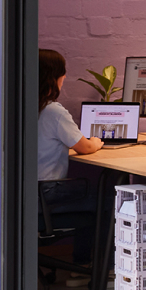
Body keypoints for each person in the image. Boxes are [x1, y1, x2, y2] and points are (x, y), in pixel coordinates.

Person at [36, 49, 106, 272]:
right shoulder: (53, 111)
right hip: (47, 194)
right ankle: (95, 269)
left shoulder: (21, 106)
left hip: (25, 197)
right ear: (55, 78)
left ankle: (83, 265)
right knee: (108, 200)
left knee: (93, 198)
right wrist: (97, 141)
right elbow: (85, 147)